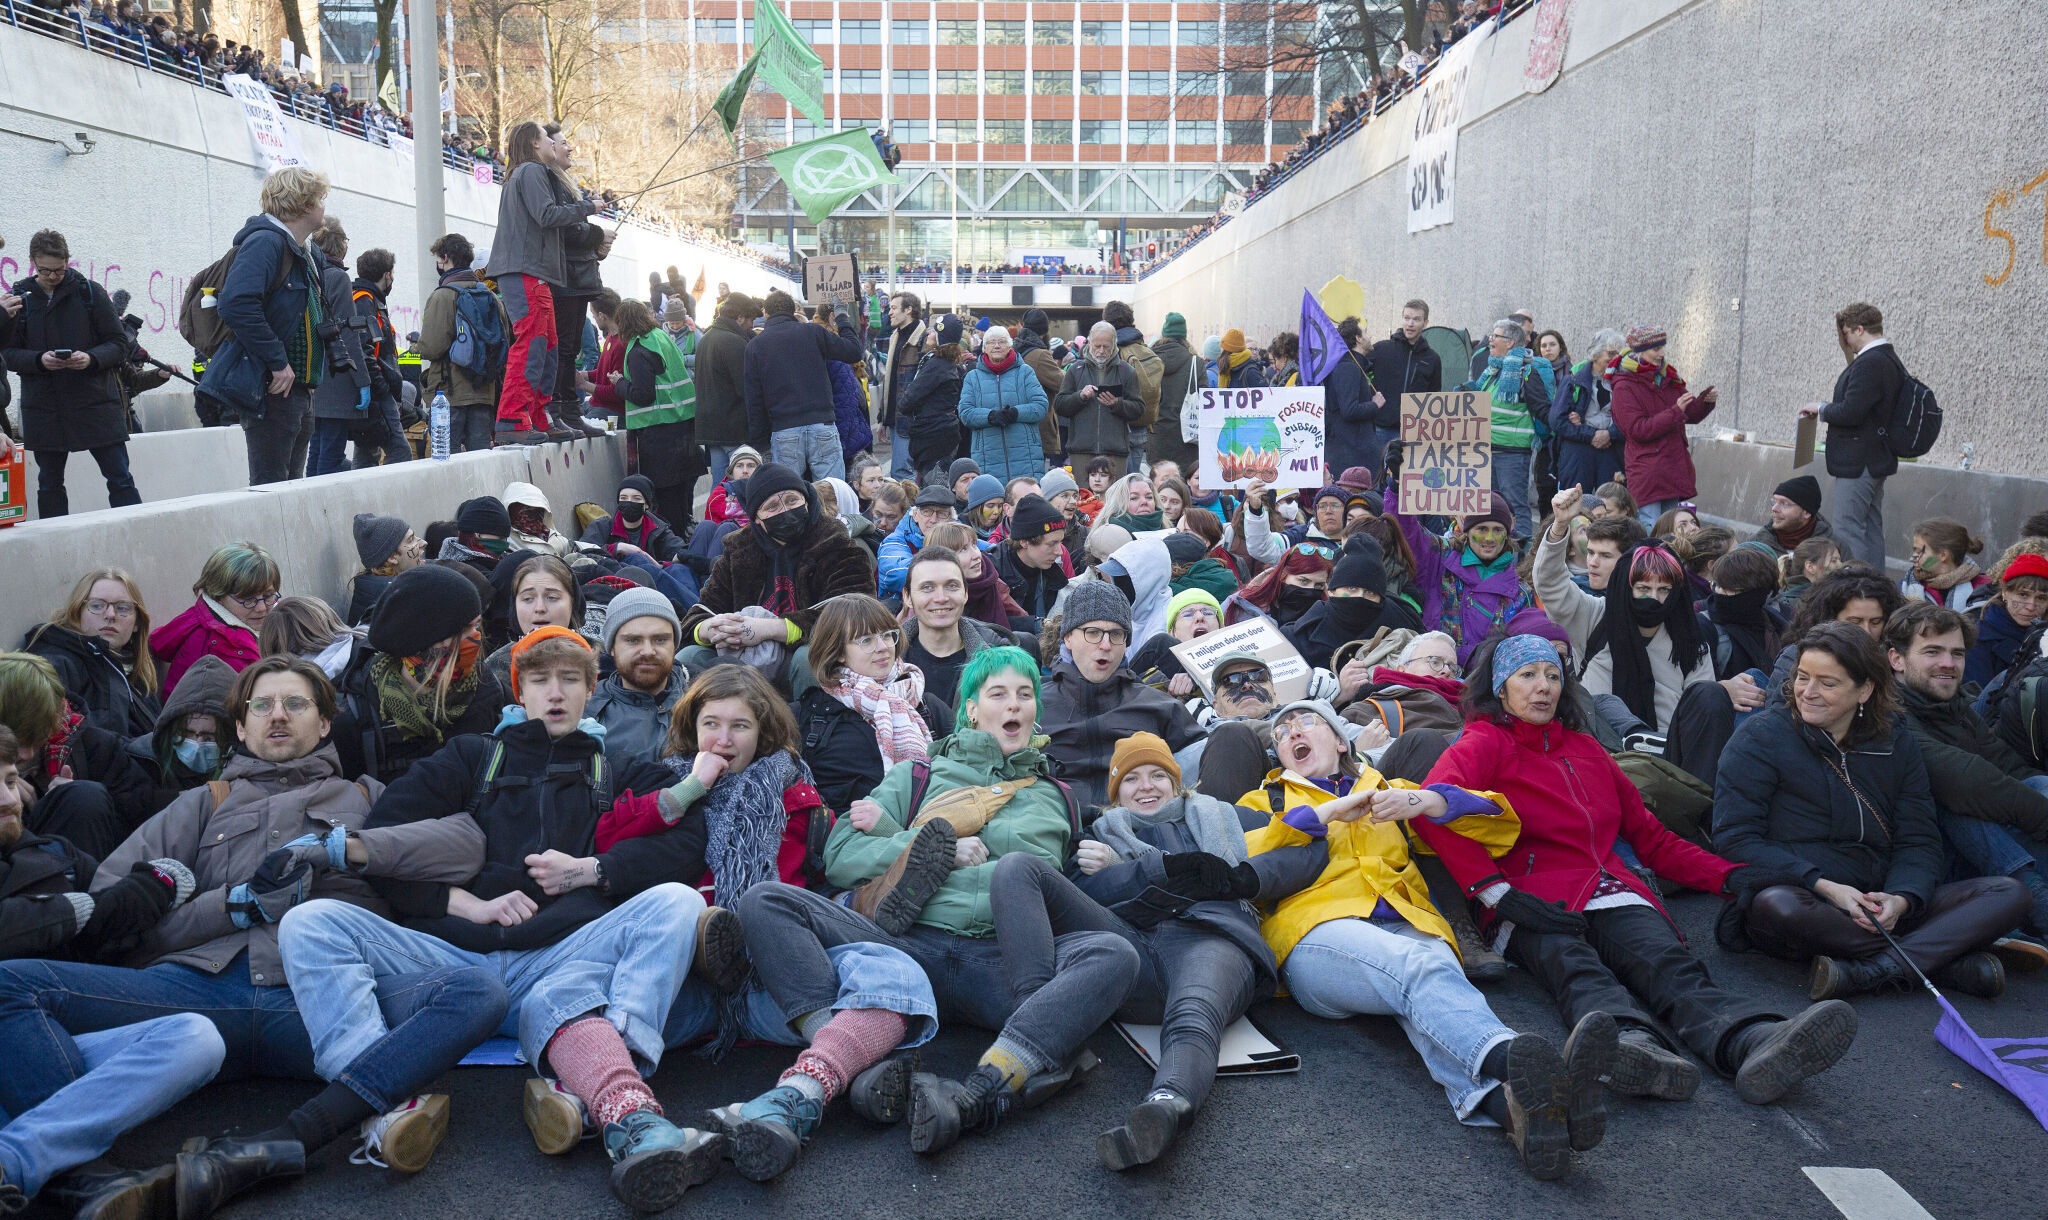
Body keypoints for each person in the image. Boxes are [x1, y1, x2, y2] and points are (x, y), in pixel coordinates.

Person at [0, 655, 499, 1220]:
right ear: (240, 727)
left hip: (321, 1008)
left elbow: (466, 845)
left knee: (475, 989)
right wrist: (233, 907)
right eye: (261, 705)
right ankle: (74, 1176)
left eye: (295, 704)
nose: (277, 716)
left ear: (326, 722)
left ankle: (297, 1133)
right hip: (194, 993)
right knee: (9, 985)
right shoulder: (199, 803)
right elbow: (112, 916)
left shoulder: (367, 797)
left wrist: (345, 849)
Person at [281, 629, 724, 1213]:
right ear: (520, 691)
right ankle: (381, 1101)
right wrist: (457, 903)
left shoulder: (619, 767)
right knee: (311, 921)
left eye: (570, 679)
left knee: (678, 901)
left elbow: (687, 845)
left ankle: (613, 1082)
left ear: (592, 690)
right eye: (540, 681)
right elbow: (379, 845)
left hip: (561, 961)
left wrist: (590, 871)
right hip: (452, 963)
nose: (556, 694)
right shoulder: (469, 756)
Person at [1420, 635, 1860, 1107]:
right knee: (1576, 970)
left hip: (1607, 885)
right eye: (1527, 676)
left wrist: (1728, 876)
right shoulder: (1483, 741)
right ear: (1501, 689)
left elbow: (1653, 840)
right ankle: (1631, 1047)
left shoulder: (1588, 749)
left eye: (1552, 675)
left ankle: (1751, 1041)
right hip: (1529, 899)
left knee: (1666, 961)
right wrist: (1494, 894)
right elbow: (1430, 809)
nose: (1543, 687)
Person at [744, 646, 1137, 1155]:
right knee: (765, 902)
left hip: (1002, 965)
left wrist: (1105, 863)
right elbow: (840, 856)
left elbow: (1059, 891)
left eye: (1025, 694)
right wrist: (931, 848)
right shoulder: (917, 775)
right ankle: (843, 1047)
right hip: (903, 946)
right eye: (999, 694)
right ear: (972, 708)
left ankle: (990, 1080)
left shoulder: (1059, 795)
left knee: (1113, 953)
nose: (1014, 705)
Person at [1233, 697, 1614, 1179]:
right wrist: (1326, 814)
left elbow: (1499, 823)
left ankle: (1523, 1115)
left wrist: (1426, 800)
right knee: (1424, 969)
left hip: (1408, 924)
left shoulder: (1387, 788)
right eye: (1282, 733)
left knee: (1428, 1000)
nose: (1292, 732)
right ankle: (1522, 1062)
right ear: (1281, 756)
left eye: (1306, 721)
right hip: (1316, 933)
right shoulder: (1263, 800)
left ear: (1340, 739)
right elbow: (1237, 856)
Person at [993, 733, 1281, 1170]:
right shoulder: (1097, 835)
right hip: (1134, 949)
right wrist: (1127, 869)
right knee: (1016, 867)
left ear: (1177, 782)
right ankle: (1036, 1028)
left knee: (1193, 1014)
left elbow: (1302, 841)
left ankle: (1165, 1108)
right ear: (1116, 793)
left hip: (1211, 937)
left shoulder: (1227, 816)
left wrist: (1244, 878)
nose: (1145, 786)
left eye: (1157, 775)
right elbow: (1081, 890)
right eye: (1131, 779)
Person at [1714, 622, 2033, 999]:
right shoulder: (1760, 737)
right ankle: (1942, 960)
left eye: (1827, 683)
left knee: (2009, 893)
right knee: (1776, 906)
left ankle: (1872, 972)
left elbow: (1918, 839)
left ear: (1864, 689)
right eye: (1802, 677)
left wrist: (1900, 898)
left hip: (1881, 897)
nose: (1808, 692)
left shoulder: (1896, 740)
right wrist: (1826, 887)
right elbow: (1734, 839)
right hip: (1807, 895)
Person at [0, 725, 224, 1218]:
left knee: (197, 1037)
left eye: (12, 780)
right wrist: (84, 912)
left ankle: (24, 1162)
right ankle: (81, 1175)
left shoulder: (50, 852)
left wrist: (153, 889)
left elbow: (120, 913)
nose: (7, 799)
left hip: (49, 1033)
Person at [1536, 485, 1748, 783]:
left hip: (1670, 761)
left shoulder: (1690, 638)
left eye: (1664, 590)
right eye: (1643, 589)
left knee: (1711, 695)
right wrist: (1559, 526)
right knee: (1605, 703)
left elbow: (1699, 707)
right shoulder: (1595, 616)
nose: (1654, 598)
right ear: (1627, 586)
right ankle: (1637, 742)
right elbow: (1550, 585)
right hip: (1601, 752)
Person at [1887, 603, 2048, 938]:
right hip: (1916, 864)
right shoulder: (1887, 711)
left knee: (2036, 783)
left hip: (1975, 848)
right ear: (1897, 659)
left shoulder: (1953, 705)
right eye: (1932, 651)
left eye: (1957, 654)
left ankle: (2020, 918)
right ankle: (2032, 906)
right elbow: (1963, 778)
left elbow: (2004, 763)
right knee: (1951, 799)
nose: (1948, 664)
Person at [677, 464, 878, 682]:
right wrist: (709, 629)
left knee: (808, 658)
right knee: (690, 655)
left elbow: (855, 609)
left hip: (800, 652)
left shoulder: (835, 542)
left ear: (807, 501)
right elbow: (699, 612)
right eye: (772, 506)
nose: (784, 510)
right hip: (741, 657)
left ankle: (815, 716)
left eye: (792, 500)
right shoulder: (739, 550)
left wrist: (771, 629)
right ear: (757, 519)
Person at [194, 167, 329, 483]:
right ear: (303, 203)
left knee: (292, 486)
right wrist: (278, 361)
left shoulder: (305, 252)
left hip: (297, 390)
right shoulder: (267, 242)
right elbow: (236, 303)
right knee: (272, 487)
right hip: (273, 387)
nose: (324, 206)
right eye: (320, 198)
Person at [4, 229, 140, 515]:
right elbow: (7, 354)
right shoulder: (19, 299)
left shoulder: (89, 292)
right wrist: (40, 360)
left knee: (120, 479)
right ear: (32, 262)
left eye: (59, 270)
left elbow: (117, 344)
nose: (53, 276)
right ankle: (56, 549)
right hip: (45, 408)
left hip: (95, 404)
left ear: (67, 260)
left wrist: (89, 359)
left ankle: (137, 536)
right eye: (45, 270)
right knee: (49, 485)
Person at [332, 563, 508, 784]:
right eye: (463, 630)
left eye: (477, 625)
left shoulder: (487, 690)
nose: (476, 637)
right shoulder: (357, 715)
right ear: (420, 641)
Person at [1038, 583, 1204, 808]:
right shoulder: (1033, 705)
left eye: (1116, 634)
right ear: (1067, 638)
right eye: (1093, 633)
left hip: (1144, 828)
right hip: (1056, 829)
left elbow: (1203, 757)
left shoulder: (1159, 705)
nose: (1105, 645)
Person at [483, 121, 599, 442]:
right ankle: (512, 418)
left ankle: (536, 415)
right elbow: (547, 215)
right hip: (525, 272)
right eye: (548, 138)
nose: (554, 142)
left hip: (531, 273)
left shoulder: (523, 174)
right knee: (533, 344)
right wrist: (586, 207)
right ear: (535, 144)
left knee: (547, 346)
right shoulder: (532, 171)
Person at [791, 594, 951, 815]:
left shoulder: (926, 705)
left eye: (887, 635)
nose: (883, 647)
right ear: (838, 653)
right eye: (866, 640)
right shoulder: (808, 714)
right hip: (845, 841)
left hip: (929, 831)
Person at [0, 651, 156, 859]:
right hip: (15, 874)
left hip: (78, 873)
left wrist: (65, 806)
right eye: (18, 738)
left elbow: (144, 821)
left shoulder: (95, 746)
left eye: (37, 740)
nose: (26, 754)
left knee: (83, 797)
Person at [1797, 303, 1905, 571]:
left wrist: (1821, 409)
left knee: (1848, 529)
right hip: (1875, 458)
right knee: (1869, 527)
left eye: (1846, 333)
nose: (1846, 341)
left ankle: (1856, 588)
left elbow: (1852, 411)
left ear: (1859, 329)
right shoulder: (1887, 358)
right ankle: (1874, 587)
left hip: (1859, 462)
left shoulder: (1871, 362)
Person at [1388, 491, 1530, 664]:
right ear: (1467, 531)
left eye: (1498, 530)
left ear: (1507, 534)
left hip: (1484, 684)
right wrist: (1396, 491)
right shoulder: (1440, 559)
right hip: (1433, 676)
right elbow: (1406, 533)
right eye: (1482, 529)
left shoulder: (1521, 593)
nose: (1490, 538)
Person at [23, 569, 161, 739]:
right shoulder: (58, 664)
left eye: (122, 608)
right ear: (76, 613)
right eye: (97, 606)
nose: (110, 615)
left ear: (137, 624)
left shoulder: (133, 669)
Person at [743, 290, 864, 481]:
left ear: (766, 313)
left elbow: (754, 399)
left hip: (784, 430)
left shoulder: (756, 345)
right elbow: (853, 351)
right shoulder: (814, 332)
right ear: (792, 311)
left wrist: (761, 444)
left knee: (788, 494)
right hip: (822, 424)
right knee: (831, 492)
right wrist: (841, 316)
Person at [1606, 326, 1716, 529]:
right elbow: (1637, 429)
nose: (1662, 353)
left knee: (1674, 528)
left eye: (1662, 347)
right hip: (1648, 472)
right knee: (1651, 529)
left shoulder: (1667, 376)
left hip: (1672, 468)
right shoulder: (1624, 385)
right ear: (1639, 351)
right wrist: (1675, 411)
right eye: (1656, 349)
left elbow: (1688, 414)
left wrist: (1704, 402)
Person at [1458, 319, 1551, 538]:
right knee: (1488, 505)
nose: (1490, 340)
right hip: (1486, 450)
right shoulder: (1492, 371)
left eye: (1495, 336)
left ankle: (1523, 557)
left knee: (1515, 506)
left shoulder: (1526, 373)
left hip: (1513, 453)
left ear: (1509, 343)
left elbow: (1543, 410)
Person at [418, 232, 510, 454]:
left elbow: (431, 347)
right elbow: (504, 342)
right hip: (484, 393)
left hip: (449, 395)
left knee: (444, 460)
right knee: (478, 461)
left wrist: (416, 347)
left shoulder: (443, 296)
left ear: (446, 258)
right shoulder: (490, 297)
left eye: (438, 259)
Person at [1762, 566, 1906, 708]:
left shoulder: (1894, 660)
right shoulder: (1795, 657)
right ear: (1829, 619)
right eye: (1855, 621)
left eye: (1876, 622)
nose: (1866, 631)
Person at [613, 298, 700, 532]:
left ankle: (673, 544)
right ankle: (682, 537)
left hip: (659, 433)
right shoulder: (661, 338)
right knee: (681, 493)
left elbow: (643, 394)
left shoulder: (639, 349)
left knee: (667, 495)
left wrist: (619, 383)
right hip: (681, 424)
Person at [151, 541, 279, 696]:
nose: (261, 608)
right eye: (248, 599)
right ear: (219, 596)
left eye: (268, 595)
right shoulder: (212, 648)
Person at [1284, 533, 1424, 670]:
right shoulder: (1299, 636)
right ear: (1331, 591)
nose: (1360, 597)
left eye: (1370, 592)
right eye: (1351, 588)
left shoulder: (1403, 624)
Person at [896, 548, 1011, 712]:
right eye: (927, 587)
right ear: (907, 597)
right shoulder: (884, 659)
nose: (941, 598)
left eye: (951, 586)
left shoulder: (999, 658)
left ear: (965, 593)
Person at [586, 587, 686, 768]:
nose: (648, 651)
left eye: (660, 640)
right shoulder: (585, 712)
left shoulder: (703, 705)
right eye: (633, 640)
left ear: (675, 645)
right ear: (612, 647)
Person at [958, 325, 1049, 483]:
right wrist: (991, 416)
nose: (997, 346)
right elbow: (965, 412)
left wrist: (1015, 413)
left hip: (1025, 455)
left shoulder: (1025, 372)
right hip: (987, 456)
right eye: (992, 342)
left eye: (1002, 341)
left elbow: (1041, 405)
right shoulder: (973, 377)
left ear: (1010, 345)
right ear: (984, 347)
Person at [1338, 630, 1466, 735]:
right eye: (1435, 662)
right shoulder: (1370, 710)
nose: (1447, 671)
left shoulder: (1474, 709)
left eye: (1452, 667)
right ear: (1403, 670)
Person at [1056, 322, 1141, 478]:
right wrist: (1080, 397)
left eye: (1106, 346)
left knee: (1114, 500)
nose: (1101, 351)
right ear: (1089, 343)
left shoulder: (1127, 371)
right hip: (1081, 452)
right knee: (1082, 499)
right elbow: (1060, 406)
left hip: (1115, 453)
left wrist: (1118, 404)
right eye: (1097, 346)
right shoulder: (1075, 370)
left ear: (1114, 345)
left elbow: (1138, 409)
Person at [1550, 329, 1625, 494]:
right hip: (1578, 451)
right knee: (1576, 502)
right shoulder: (1574, 378)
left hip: (1611, 450)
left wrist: (1610, 434)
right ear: (1596, 354)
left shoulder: (1624, 381)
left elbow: (1631, 419)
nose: (1615, 359)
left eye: (1619, 354)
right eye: (1611, 353)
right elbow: (1557, 420)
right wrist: (1591, 434)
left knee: (1611, 504)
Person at [898, 316, 969, 480]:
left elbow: (909, 399)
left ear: (940, 337)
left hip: (933, 436)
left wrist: (905, 405)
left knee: (935, 489)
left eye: (933, 330)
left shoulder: (937, 364)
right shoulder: (945, 363)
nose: (928, 333)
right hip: (940, 434)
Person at [695, 292, 754, 490]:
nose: (751, 325)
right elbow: (745, 389)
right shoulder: (734, 342)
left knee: (720, 485)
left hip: (711, 427)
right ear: (739, 317)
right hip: (734, 427)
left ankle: (718, 518)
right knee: (741, 483)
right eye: (750, 319)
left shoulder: (706, 338)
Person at [991, 495, 1070, 635]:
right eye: (1051, 544)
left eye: (1060, 542)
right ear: (1024, 542)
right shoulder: (990, 572)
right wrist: (1033, 625)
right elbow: (983, 622)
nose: (1059, 552)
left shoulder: (1053, 575)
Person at [1968, 552, 2048, 688]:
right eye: (2023, 595)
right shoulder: (1980, 636)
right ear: (2005, 592)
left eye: (2041, 598)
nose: (2030, 606)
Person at [1104, 302, 1164, 474]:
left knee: (1116, 485)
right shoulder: (1145, 350)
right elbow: (1160, 393)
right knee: (1133, 480)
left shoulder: (1111, 351)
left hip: (1115, 427)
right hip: (1141, 426)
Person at [1322, 317, 1385, 479]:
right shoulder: (1348, 367)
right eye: (1365, 332)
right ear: (1358, 339)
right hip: (1349, 455)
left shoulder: (1353, 365)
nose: (1370, 337)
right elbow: (1349, 409)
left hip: (1353, 452)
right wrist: (1374, 405)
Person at [578, 475, 687, 562]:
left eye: (636, 498)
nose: (629, 502)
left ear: (647, 505)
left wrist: (661, 565)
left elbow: (680, 552)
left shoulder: (659, 530)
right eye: (624, 498)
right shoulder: (601, 526)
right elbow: (581, 553)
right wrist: (617, 548)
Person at [879, 292, 929, 478]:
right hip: (894, 417)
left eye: (893, 308)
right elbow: (890, 380)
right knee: (898, 473)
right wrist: (883, 418)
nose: (889, 313)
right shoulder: (895, 336)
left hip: (910, 420)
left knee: (902, 474)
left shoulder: (924, 339)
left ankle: (909, 508)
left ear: (908, 310)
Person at [877, 483, 956, 600]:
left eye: (941, 513)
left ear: (950, 519)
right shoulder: (894, 541)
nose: (933, 520)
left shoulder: (957, 534)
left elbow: (987, 551)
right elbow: (897, 573)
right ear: (915, 515)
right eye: (927, 512)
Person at [1147, 312, 1201, 478]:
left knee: (1158, 486)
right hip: (1186, 439)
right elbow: (1206, 400)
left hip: (1156, 438)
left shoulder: (1149, 360)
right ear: (1184, 336)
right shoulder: (1195, 362)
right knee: (1183, 489)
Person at [346, 513, 424, 625]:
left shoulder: (383, 590)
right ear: (392, 557)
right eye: (410, 540)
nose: (423, 543)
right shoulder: (396, 598)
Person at [1900, 518, 1990, 611]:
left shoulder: (1984, 589)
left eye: (1920, 552)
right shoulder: (1904, 588)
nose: (1913, 558)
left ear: (1943, 555)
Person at [1750, 474, 1832, 556]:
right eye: (1774, 501)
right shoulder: (1755, 545)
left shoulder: (1835, 549)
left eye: (1785, 503)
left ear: (1806, 512)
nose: (1774, 509)